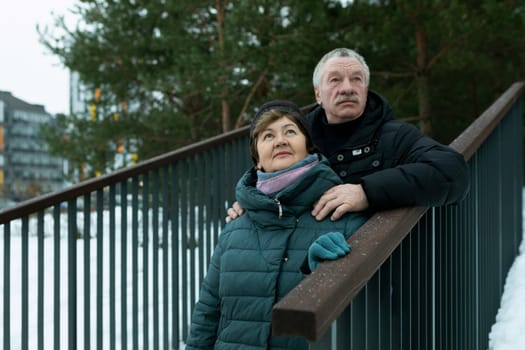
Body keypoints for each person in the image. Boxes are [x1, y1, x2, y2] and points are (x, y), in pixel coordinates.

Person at [185, 100, 368, 350]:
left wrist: (326, 278)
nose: (280, 141)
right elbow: (207, 314)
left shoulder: (343, 217)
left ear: (309, 148)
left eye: (290, 131)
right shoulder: (234, 229)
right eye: (268, 135)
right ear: (257, 160)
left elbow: (371, 318)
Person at [226, 48, 470, 223]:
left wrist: (367, 192)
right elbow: (272, 180)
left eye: (357, 79)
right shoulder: (300, 141)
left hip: (378, 273)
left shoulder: (395, 136)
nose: (347, 88)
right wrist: (252, 204)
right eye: (335, 80)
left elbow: (452, 172)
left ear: (365, 89)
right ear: (318, 94)